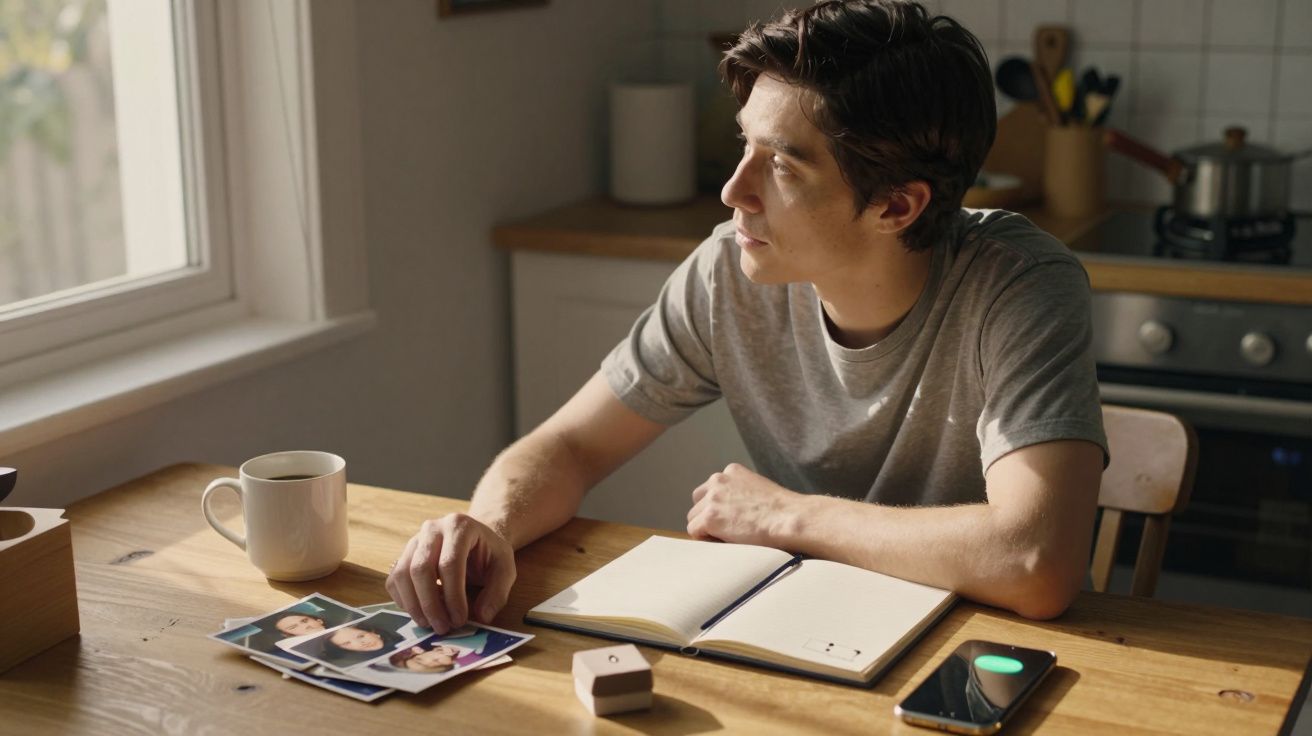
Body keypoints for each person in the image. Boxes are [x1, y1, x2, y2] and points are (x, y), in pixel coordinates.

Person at [388, 0, 1107, 631]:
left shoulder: (1018, 286)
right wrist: (489, 526)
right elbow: (572, 446)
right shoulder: (727, 272)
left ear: (896, 205)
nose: (734, 191)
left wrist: (784, 516)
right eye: (744, 146)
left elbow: (1036, 561)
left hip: (976, 652)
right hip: (807, 626)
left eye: (783, 166)